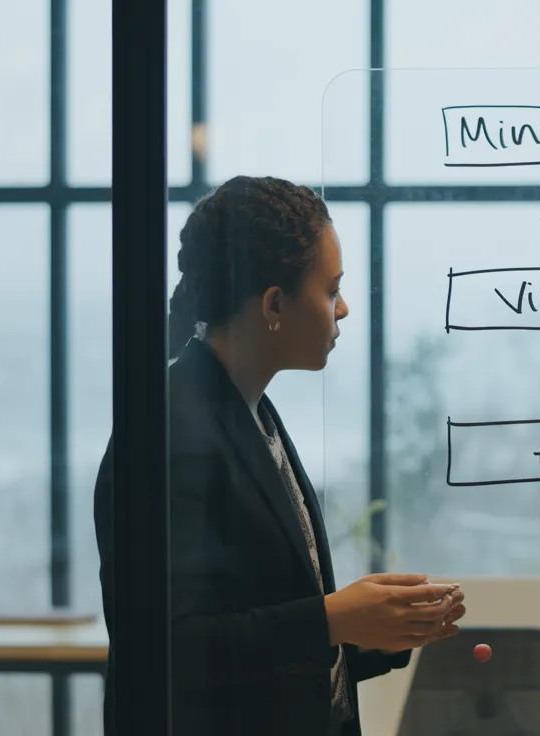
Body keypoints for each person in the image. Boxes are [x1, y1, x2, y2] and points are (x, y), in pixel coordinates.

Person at [93, 175, 465, 736]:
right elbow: (166, 644)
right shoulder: (169, 429)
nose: (344, 309)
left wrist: (376, 631)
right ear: (273, 304)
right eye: (331, 290)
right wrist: (333, 619)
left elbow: (264, 634)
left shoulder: (247, 410)